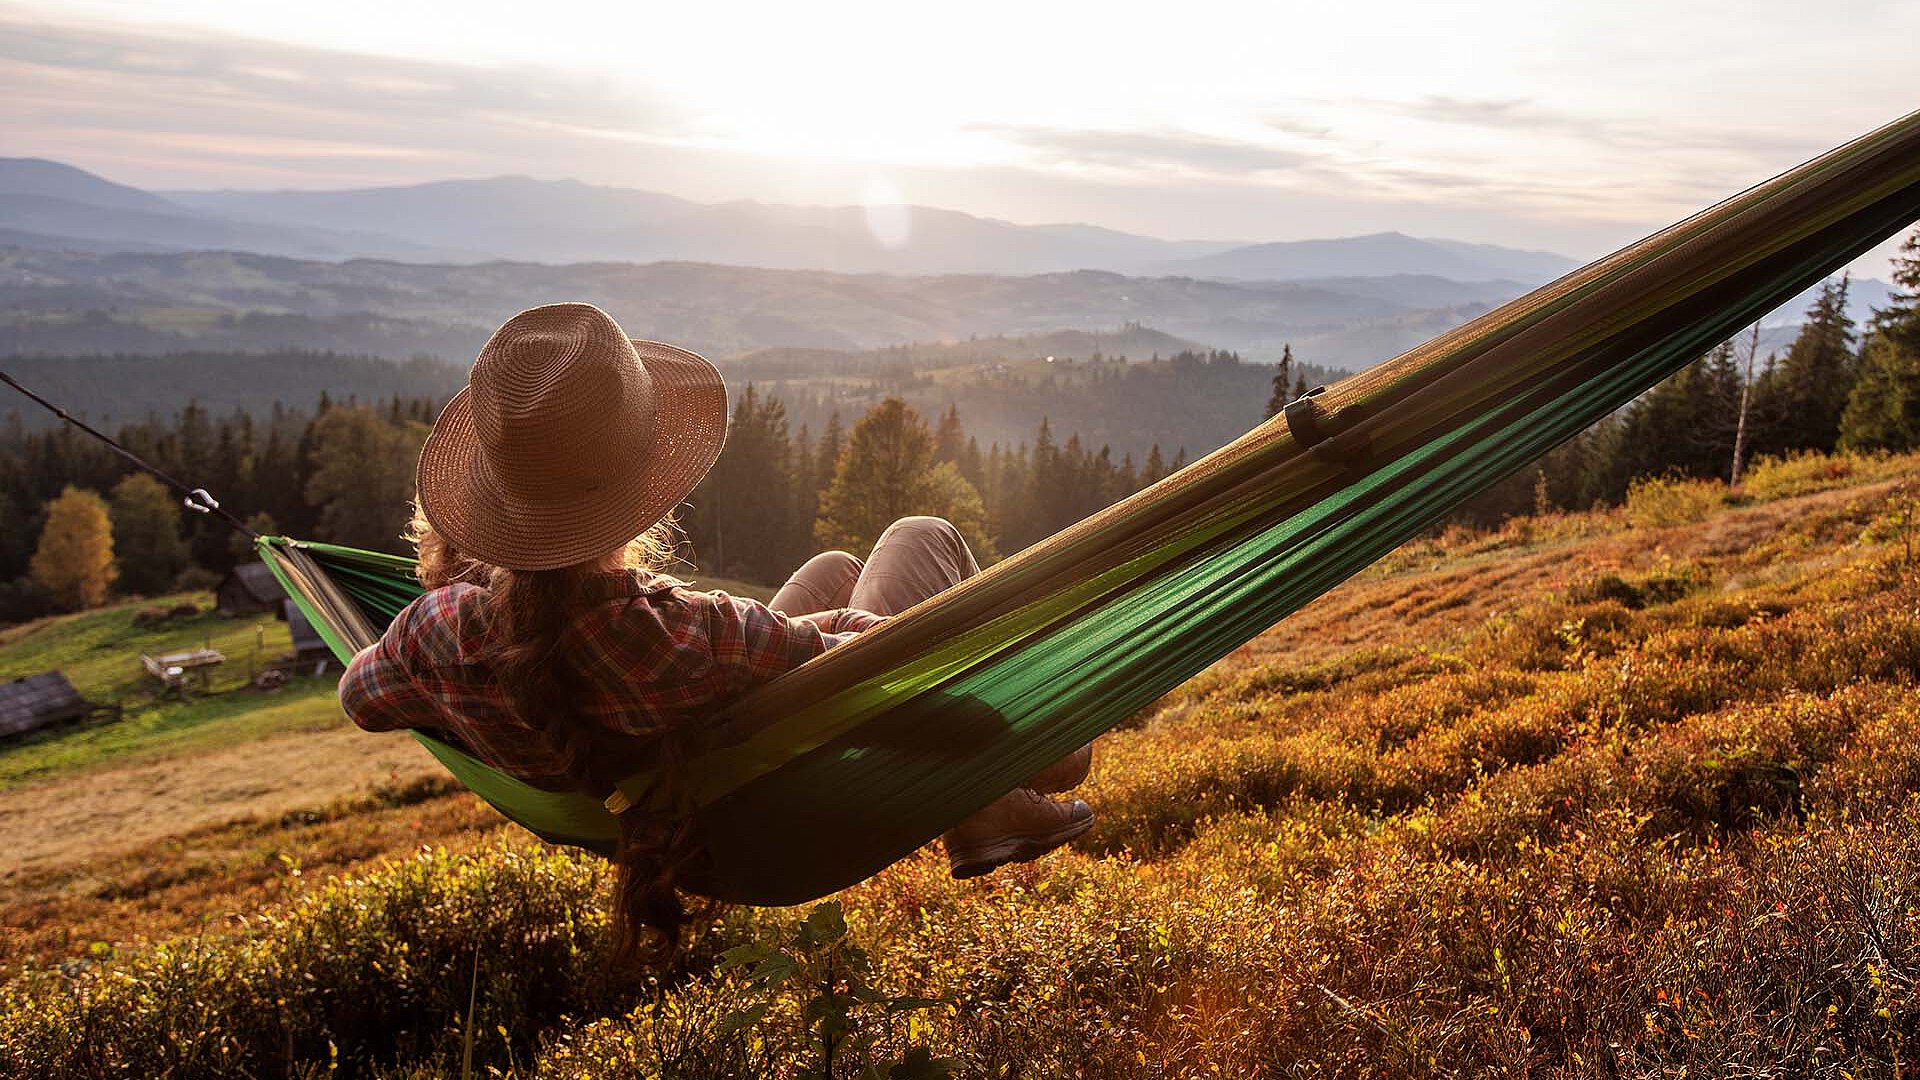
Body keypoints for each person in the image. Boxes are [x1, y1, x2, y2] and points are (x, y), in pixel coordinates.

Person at [339, 302, 1093, 964]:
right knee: (920, 534)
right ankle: (980, 806)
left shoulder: (432, 634)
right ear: (643, 487)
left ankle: (980, 808)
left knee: (834, 564)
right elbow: (882, 685)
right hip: (789, 795)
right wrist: (1034, 726)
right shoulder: (692, 637)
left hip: (681, 783)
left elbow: (361, 699)